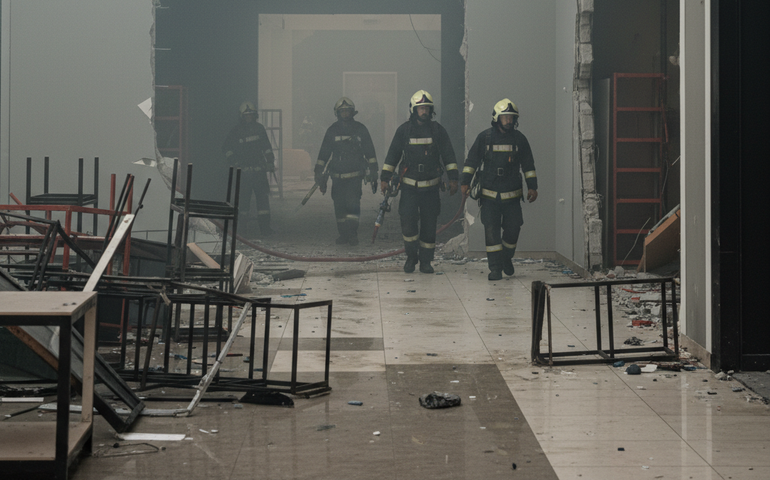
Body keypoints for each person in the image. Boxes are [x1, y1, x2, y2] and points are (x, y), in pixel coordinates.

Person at [380, 90, 459, 274]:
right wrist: (385, 178)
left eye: (426, 108)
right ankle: (411, 257)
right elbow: (393, 155)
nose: (424, 111)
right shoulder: (404, 131)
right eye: (420, 108)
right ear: (413, 110)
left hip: (431, 188)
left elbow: (449, 156)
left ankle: (426, 261)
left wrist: (454, 179)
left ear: (431, 111)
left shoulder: (438, 131)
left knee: (429, 226)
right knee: (408, 224)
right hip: (409, 188)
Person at [460, 98, 538, 280]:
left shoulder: (520, 139)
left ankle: (506, 258)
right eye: (505, 117)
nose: (509, 121)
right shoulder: (485, 138)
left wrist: (533, 187)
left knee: (513, 229)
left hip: (512, 196)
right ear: (497, 118)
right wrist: (465, 181)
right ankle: (495, 268)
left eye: (511, 117)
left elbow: (529, 166)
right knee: (491, 232)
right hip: (489, 196)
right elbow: (471, 162)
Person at [315, 97, 378, 246]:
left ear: (352, 112)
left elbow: (370, 152)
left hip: (355, 176)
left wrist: (374, 171)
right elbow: (324, 153)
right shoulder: (332, 130)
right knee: (339, 206)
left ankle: (352, 234)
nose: (345, 114)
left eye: (347, 111)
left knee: (353, 205)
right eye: (342, 111)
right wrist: (318, 172)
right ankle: (343, 235)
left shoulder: (361, 129)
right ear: (337, 113)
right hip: (337, 176)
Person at [222, 101, 276, 236]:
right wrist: (235, 161)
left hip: (259, 171)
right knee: (243, 203)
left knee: (263, 201)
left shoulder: (260, 129)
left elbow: (267, 147)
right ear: (241, 116)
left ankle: (265, 229)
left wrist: (270, 161)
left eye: (251, 115)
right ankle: (241, 231)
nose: (249, 118)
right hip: (244, 173)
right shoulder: (235, 131)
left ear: (255, 115)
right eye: (246, 115)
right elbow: (226, 148)